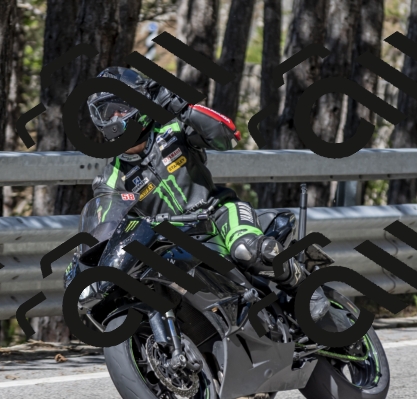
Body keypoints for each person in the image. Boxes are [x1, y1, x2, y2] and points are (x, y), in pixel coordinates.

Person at [87, 67, 325, 314]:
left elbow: (229, 136)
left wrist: (183, 108)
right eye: (107, 112)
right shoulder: (110, 179)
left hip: (217, 213)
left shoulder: (173, 129)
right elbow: (107, 229)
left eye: (121, 107)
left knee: (246, 249)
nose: (115, 117)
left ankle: (305, 289)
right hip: (169, 243)